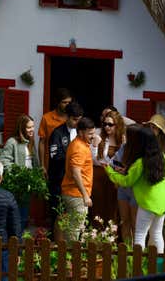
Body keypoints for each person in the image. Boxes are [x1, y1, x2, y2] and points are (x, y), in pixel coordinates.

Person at [104, 125, 165, 251]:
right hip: (162, 202)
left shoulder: (140, 162)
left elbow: (126, 181)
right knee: (156, 234)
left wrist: (110, 171)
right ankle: (160, 262)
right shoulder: (162, 157)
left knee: (140, 234)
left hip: (147, 204)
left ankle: (137, 262)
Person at [46, 101, 83, 237]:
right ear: (67, 117)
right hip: (59, 180)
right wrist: (73, 159)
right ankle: (57, 244)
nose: (77, 123)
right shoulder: (57, 133)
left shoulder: (80, 132)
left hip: (75, 182)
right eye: (74, 119)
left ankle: (71, 243)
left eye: (79, 120)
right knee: (59, 214)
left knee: (75, 216)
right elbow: (55, 156)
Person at [0, 114, 41, 230]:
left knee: (24, 215)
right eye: (28, 127)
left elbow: (33, 161)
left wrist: (37, 174)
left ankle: (19, 237)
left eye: (33, 126)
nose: (32, 129)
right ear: (21, 128)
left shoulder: (30, 141)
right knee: (16, 215)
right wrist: (17, 173)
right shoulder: (12, 142)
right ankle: (13, 238)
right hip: (16, 185)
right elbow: (3, 161)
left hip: (27, 184)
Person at [59, 117, 96, 242]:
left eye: (93, 133)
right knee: (74, 231)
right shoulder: (79, 147)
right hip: (76, 194)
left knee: (74, 228)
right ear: (80, 132)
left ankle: (70, 252)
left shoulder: (79, 143)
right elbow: (76, 173)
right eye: (90, 133)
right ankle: (71, 253)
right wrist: (85, 195)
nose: (93, 136)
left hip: (74, 193)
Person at [90, 110, 125, 227]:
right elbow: (93, 159)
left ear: (118, 125)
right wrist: (94, 146)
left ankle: (111, 234)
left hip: (115, 178)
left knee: (113, 208)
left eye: (110, 124)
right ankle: (96, 234)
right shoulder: (100, 138)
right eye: (105, 124)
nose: (106, 127)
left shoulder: (122, 140)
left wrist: (124, 146)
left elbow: (124, 161)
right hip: (100, 176)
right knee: (98, 207)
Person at [38, 88, 73, 171]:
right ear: (58, 102)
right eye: (64, 102)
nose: (67, 105)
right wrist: (42, 165)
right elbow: (42, 142)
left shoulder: (73, 119)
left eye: (69, 102)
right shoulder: (46, 118)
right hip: (51, 162)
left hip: (69, 163)